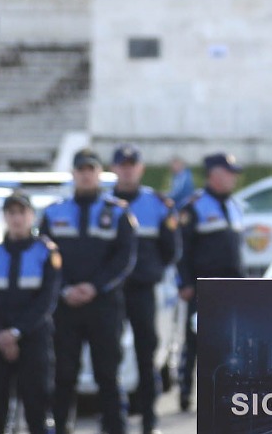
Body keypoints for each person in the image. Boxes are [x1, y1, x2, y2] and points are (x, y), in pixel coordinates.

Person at [40, 148, 137, 434]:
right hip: (66, 306)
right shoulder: (54, 213)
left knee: (107, 374)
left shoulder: (118, 213)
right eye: (80, 170)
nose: (85, 175)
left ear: (99, 173)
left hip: (103, 305)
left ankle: (114, 428)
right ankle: (60, 427)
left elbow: (125, 258)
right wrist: (66, 289)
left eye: (90, 170)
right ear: (73, 173)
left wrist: (94, 287)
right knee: (63, 375)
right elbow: (46, 258)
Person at [112, 145, 179, 434]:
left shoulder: (157, 205)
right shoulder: (105, 205)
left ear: (140, 168)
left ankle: (149, 419)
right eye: (122, 165)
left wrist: (147, 273)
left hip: (142, 291)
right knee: (108, 357)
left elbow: (171, 250)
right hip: (109, 294)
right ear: (115, 168)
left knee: (146, 354)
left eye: (132, 165)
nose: (127, 170)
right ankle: (114, 418)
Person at [0, 191, 61, 434]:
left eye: (22, 213)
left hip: (33, 338)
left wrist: (16, 332)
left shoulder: (46, 253)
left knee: (37, 410)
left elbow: (47, 300)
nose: (17, 219)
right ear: (4, 217)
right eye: (11, 213)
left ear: (32, 216)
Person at [177, 152, 246, 412]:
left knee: (233, 340)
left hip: (232, 286)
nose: (233, 179)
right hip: (202, 286)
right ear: (215, 174)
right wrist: (184, 283)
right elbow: (181, 250)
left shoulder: (233, 205)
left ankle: (228, 390)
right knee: (194, 341)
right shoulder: (193, 206)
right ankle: (185, 392)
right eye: (229, 173)